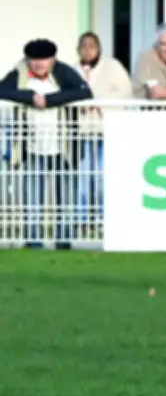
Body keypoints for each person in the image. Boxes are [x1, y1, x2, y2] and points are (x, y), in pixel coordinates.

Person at [0, 39, 93, 250]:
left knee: (66, 195)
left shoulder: (64, 71)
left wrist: (50, 100)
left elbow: (84, 92)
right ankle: (33, 239)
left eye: (43, 59)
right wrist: (30, 98)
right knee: (33, 195)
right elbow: (2, 90)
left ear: (53, 59)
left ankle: (64, 239)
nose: (38, 64)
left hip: (64, 146)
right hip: (32, 145)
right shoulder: (20, 72)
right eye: (34, 60)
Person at [74, 32, 133, 225]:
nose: (88, 50)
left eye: (92, 46)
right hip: (82, 132)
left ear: (99, 48)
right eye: (83, 46)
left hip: (107, 130)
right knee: (83, 178)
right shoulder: (73, 71)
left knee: (102, 177)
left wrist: (98, 103)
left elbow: (124, 92)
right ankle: (82, 220)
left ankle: (103, 220)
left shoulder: (112, 67)